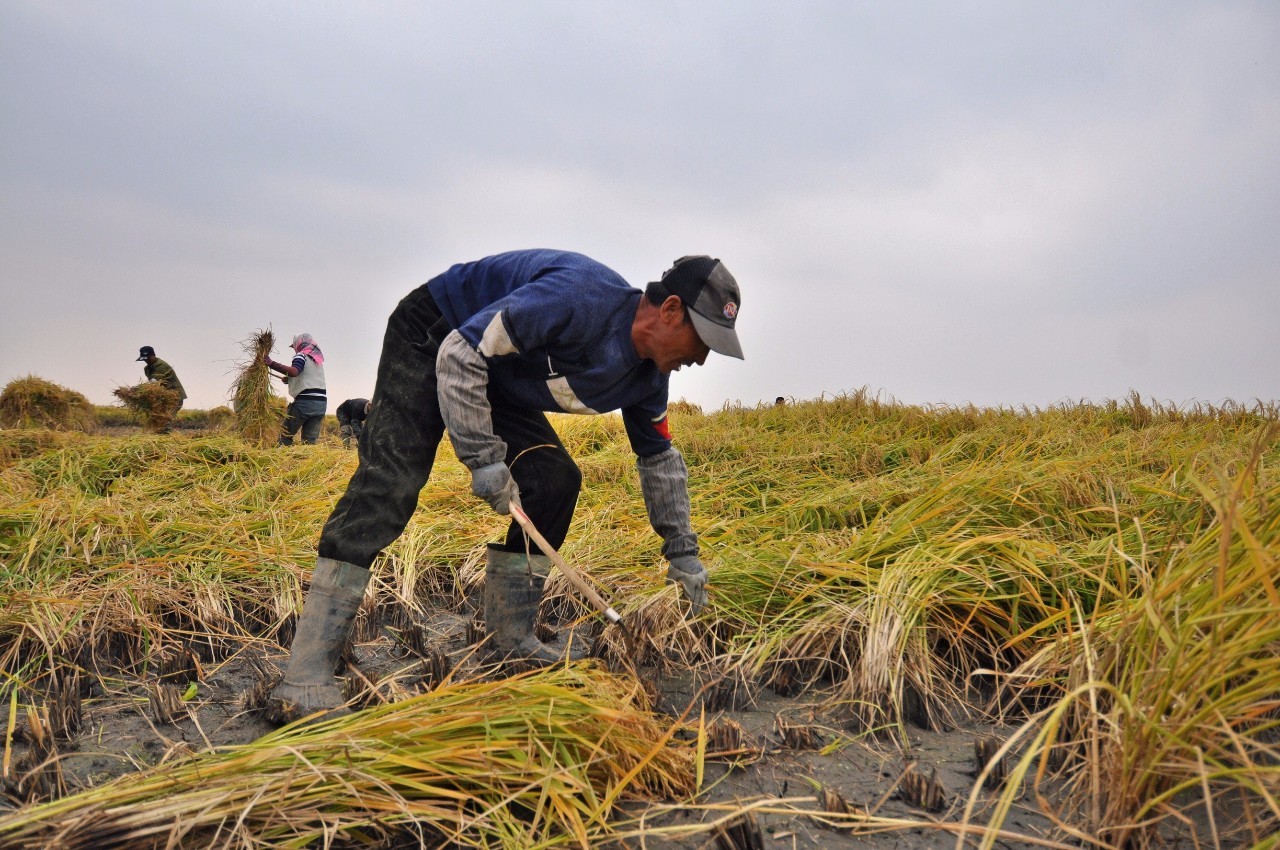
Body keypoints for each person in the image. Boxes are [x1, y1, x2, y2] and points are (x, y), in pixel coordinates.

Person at [269, 250, 743, 716]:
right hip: (435, 332)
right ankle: (305, 673)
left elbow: (659, 459)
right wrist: (484, 459)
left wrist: (683, 551)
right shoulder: (578, 298)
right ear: (670, 310)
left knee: (553, 481)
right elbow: (459, 354)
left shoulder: (647, 379)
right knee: (392, 482)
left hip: (495, 372)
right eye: (703, 340)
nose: (701, 359)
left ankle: (511, 639)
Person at [265, 334, 327, 445]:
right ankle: (309, 461)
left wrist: (271, 364)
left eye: (294, 346)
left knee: (285, 436)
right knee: (310, 442)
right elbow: (309, 377)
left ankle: (281, 458)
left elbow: (294, 371)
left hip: (305, 403)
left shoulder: (301, 355)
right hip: (321, 404)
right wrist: (290, 380)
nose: (294, 349)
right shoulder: (317, 360)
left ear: (299, 344)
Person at [135, 346, 187, 411]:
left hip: (174, 397)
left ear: (153, 355)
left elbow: (153, 383)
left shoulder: (161, 366)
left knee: (165, 418)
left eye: (148, 358)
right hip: (163, 397)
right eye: (145, 359)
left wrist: (137, 389)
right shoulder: (147, 369)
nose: (146, 361)